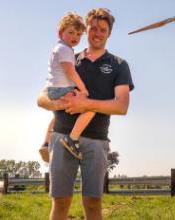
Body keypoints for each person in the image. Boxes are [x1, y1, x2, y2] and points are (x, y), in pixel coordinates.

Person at [37, 8, 134, 220]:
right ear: (86, 30)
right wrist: (64, 103)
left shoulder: (118, 65)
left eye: (103, 29)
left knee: (92, 203)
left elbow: (121, 106)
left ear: (109, 33)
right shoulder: (70, 58)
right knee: (60, 201)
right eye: (93, 28)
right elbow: (42, 99)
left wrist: (85, 105)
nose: (97, 33)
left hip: (96, 140)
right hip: (62, 137)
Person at [40, 12, 94, 161]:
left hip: (53, 88)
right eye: (70, 32)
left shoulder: (58, 48)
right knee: (90, 108)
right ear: (60, 32)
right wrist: (83, 89)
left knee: (57, 115)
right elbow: (71, 72)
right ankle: (73, 139)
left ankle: (46, 142)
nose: (74, 37)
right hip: (61, 89)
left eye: (78, 34)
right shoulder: (65, 50)